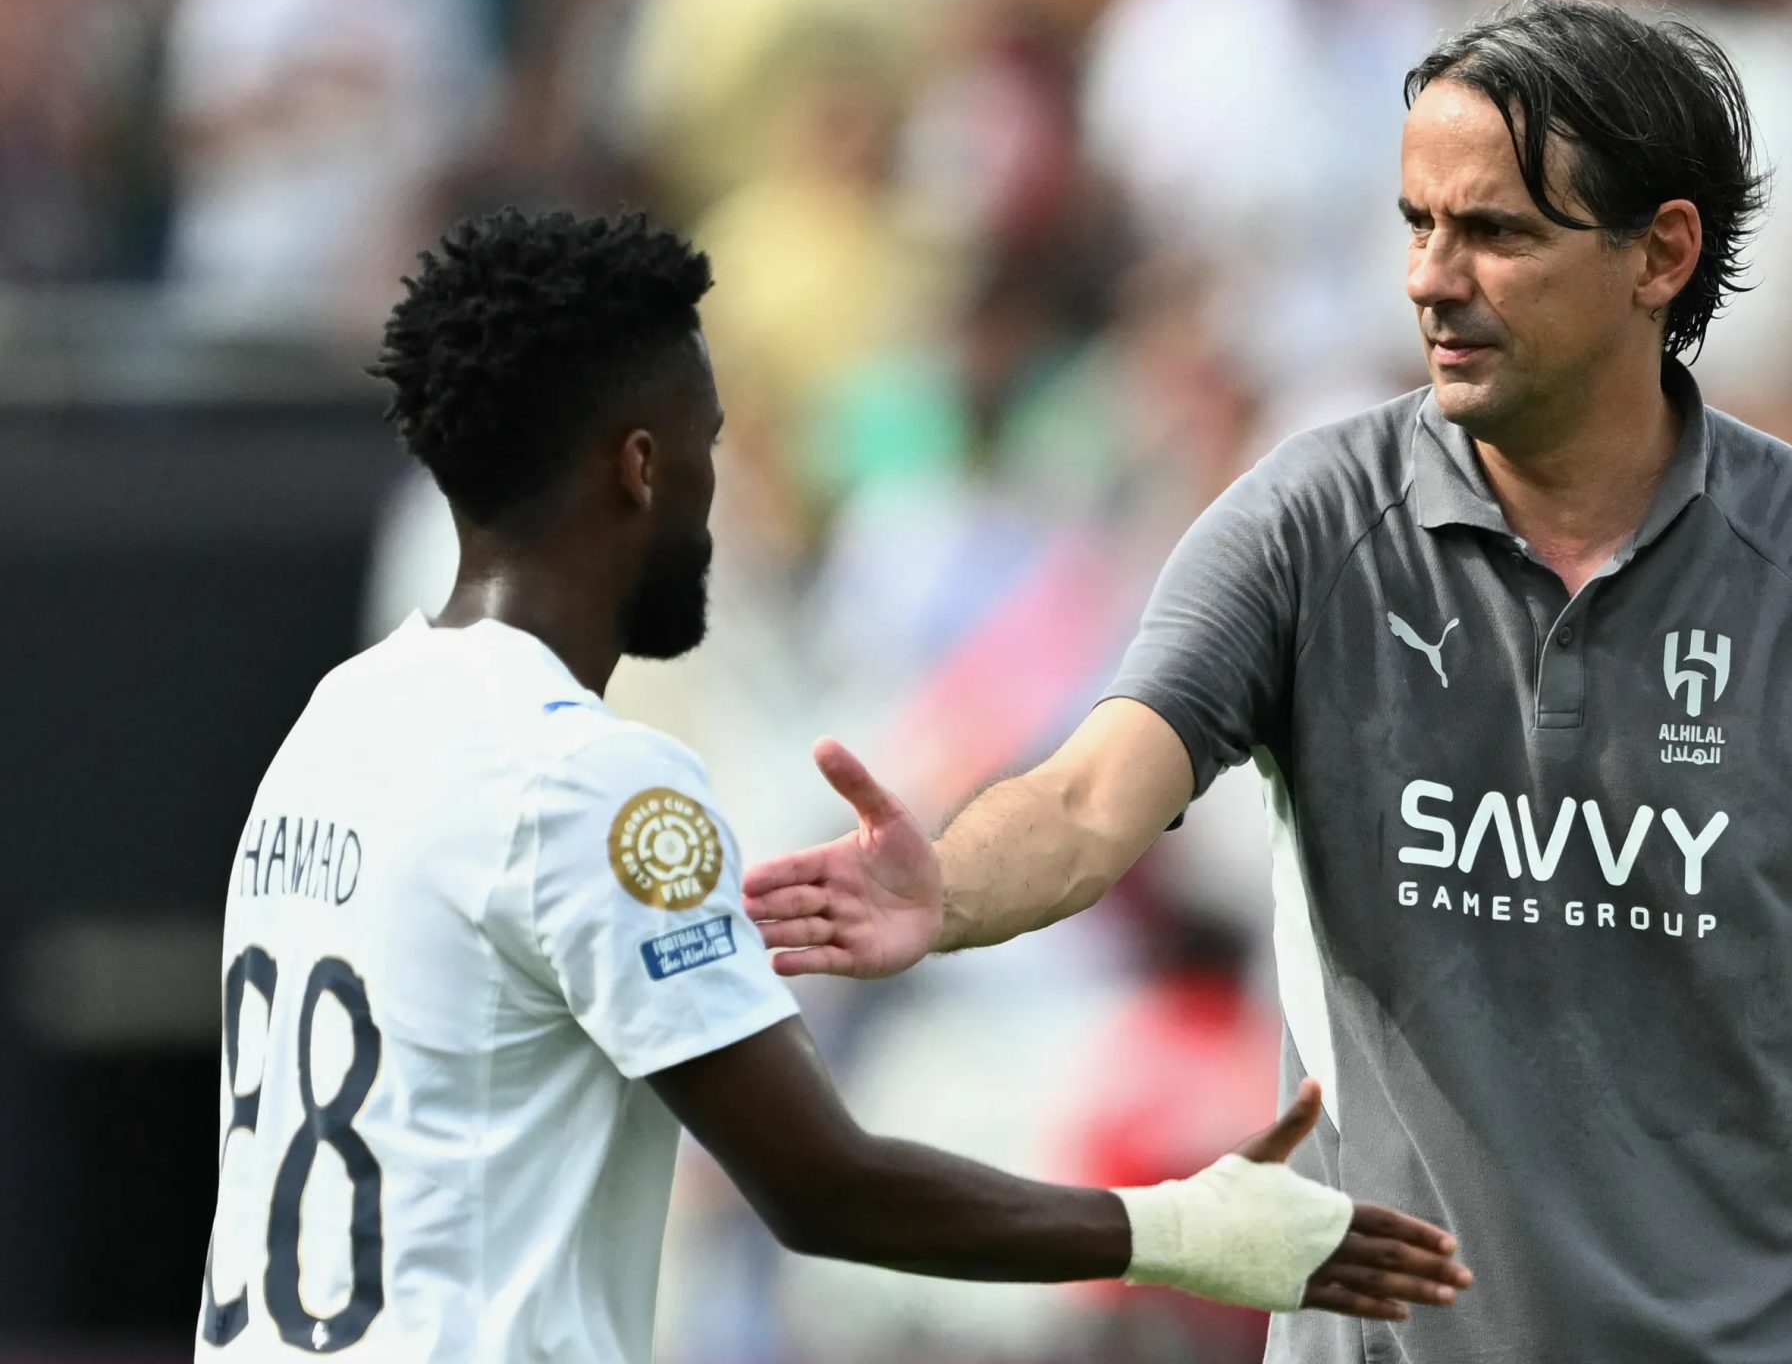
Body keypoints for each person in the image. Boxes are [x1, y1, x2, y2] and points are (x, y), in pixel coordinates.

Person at [748, 0, 1792, 1364]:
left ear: (1661, 254)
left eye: (1496, 233)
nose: (1431, 279)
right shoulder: (1308, 525)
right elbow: (1093, 801)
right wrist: (949, 889)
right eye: (1417, 224)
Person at [194, 209, 1467, 1361]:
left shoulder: (333, 727)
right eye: (709, 448)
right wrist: (1182, 1230)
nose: (720, 497)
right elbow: (821, 1188)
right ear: (639, 467)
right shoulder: (590, 780)